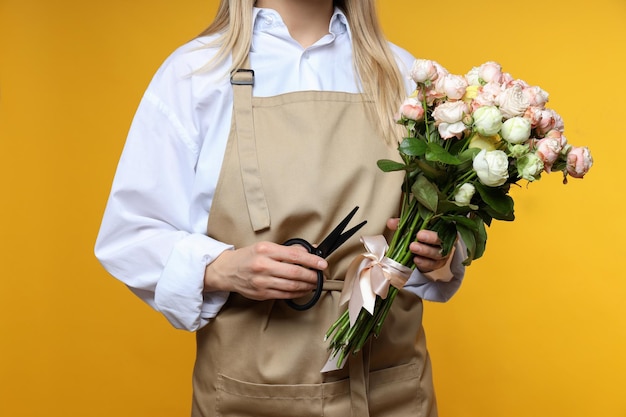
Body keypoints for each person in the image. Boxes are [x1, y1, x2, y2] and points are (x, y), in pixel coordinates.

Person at [95, 1, 467, 416]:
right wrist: (223, 268)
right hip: (248, 393)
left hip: (390, 390)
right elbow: (128, 235)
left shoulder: (403, 74)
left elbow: (437, 258)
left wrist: (439, 254)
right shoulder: (196, 73)